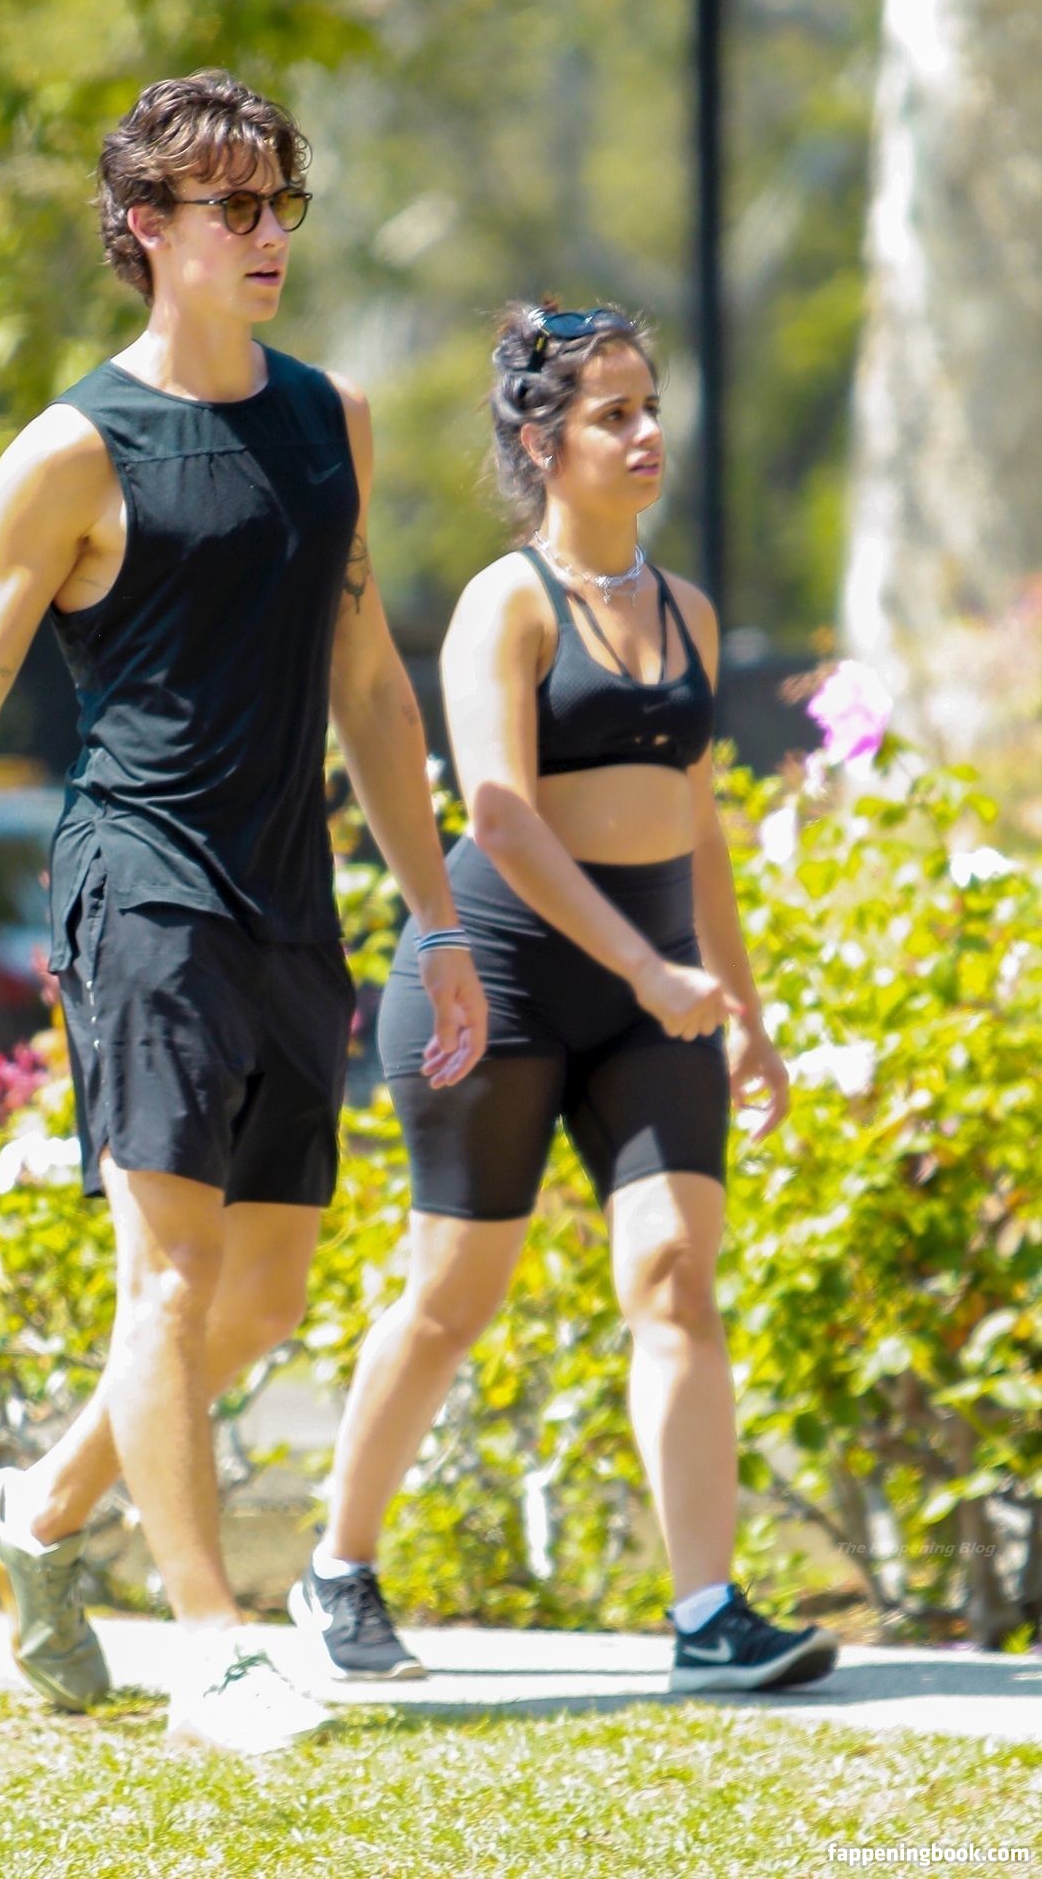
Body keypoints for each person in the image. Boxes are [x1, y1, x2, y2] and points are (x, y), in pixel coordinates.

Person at [0, 71, 486, 1755]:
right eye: (236, 206)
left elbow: (369, 678)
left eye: (283, 201)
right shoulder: (72, 451)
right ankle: (210, 1642)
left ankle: (34, 1512)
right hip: (137, 882)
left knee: (264, 1298)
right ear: (148, 228)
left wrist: (436, 919)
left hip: (288, 889)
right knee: (171, 1275)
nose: (271, 233)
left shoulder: (331, 422)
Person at [288, 299, 840, 1696]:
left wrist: (746, 1017)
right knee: (450, 1296)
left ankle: (708, 1614)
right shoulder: (509, 603)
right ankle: (337, 1567)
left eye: (652, 409)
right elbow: (499, 814)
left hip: (656, 1001)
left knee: (674, 1273)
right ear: (543, 443)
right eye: (614, 415)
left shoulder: (688, 612)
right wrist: (645, 968)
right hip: (503, 986)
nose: (647, 435)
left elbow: (698, 831)